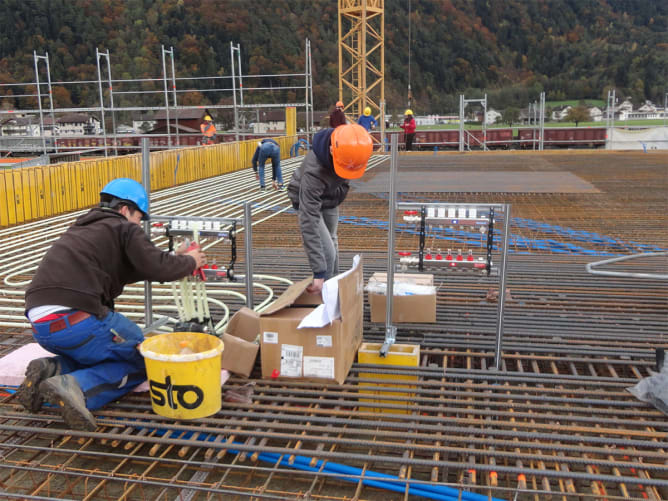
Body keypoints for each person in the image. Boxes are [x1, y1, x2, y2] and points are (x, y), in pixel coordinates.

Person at [16, 178, 206, 431]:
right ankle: (78, 387)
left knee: (106, 350)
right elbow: (156, 267)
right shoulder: (124, 228)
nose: (140, 224)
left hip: (43, 327)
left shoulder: (82, 230)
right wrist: (191, 262)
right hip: (77, 322)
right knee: (142, 355)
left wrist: (174, 258)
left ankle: (52, 369)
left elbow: (136, 266)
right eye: (140, 217)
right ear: (125, 209)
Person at [287, 123, 373, 294]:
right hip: (307, 201)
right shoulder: (314, 173)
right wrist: (318, 271)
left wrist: (337, 193)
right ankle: (324, 296)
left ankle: (333, 285)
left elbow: (346, 178)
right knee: (328, 252)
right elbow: (308, 222)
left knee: (333, 241)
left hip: (329, 196)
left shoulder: (350, 148)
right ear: (332, 151)